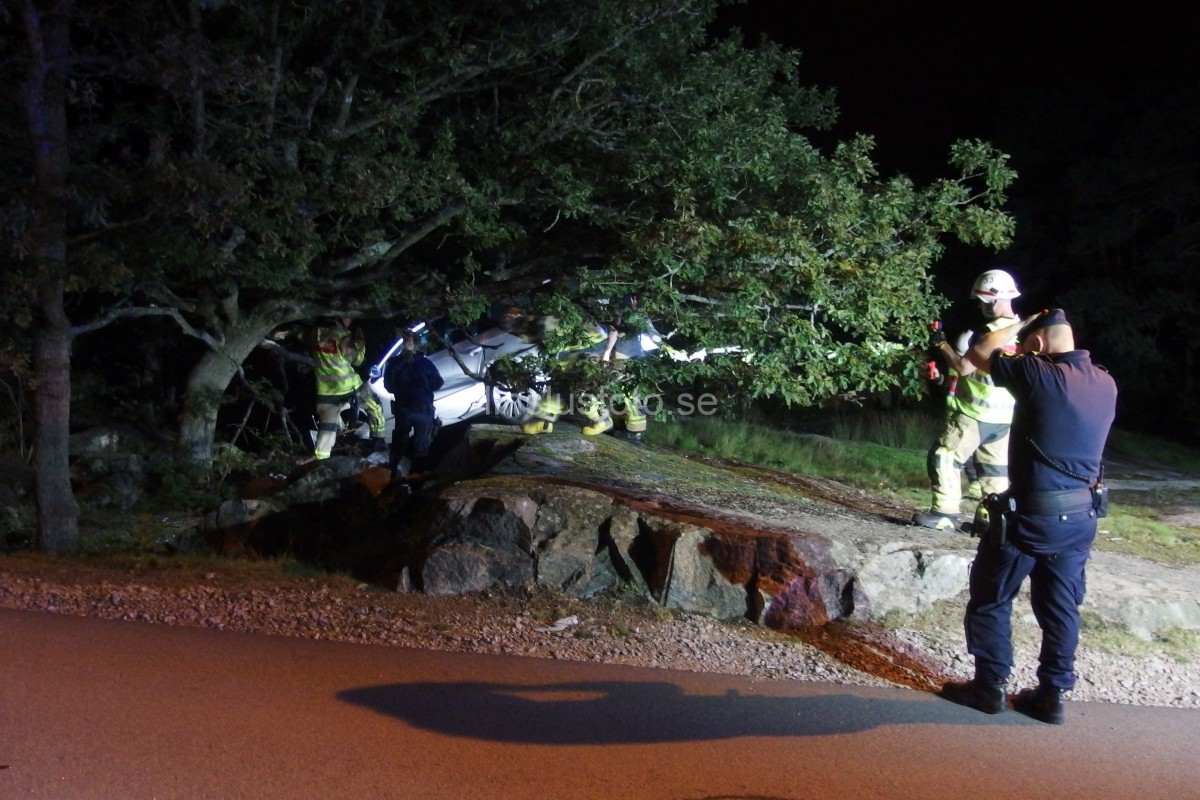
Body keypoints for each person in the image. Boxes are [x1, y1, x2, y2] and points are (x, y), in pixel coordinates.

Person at [939, 308, 1118, 725]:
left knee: (991, 596)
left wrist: (1017, 325)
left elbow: (979, 351)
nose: (1018, 351)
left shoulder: (1041, 376)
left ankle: (989, 687)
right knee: (1061, 607)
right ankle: (1052, 695)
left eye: (1023, 346)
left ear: (1036, 345)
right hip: (1081, 518)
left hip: (1030, 519)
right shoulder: (1105, 382)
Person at [913, 269, 1022, 530]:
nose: (982, 307)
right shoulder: (1020, 334)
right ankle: (994, 523)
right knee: (994, 471)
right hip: (1005, 417)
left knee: (944, 456)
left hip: (975, 413)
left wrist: (941, 345)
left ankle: (944, 514)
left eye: (983, 302)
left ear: (993, 300)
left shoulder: (986, 334)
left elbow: (963, 367)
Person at [311, 317, 386, 460]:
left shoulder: (315, 333)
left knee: (327, 428)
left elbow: (294, 333)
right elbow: (358, 359)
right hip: (350, 386)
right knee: (375, 407)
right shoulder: (341, 335)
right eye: (349, 317)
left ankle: (320, 460)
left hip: (326, 391)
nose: (350, 320)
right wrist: (360, 341)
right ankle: (378, 442)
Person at [383, 330, 445, 475]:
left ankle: (393, 473)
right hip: (423, 410)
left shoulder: (393, 364)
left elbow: (388, 387)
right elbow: (438, 383)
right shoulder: (425, 363)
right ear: (417, 345)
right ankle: (419, 477)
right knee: (422, 445)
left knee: (399, 441)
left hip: (403, 409)